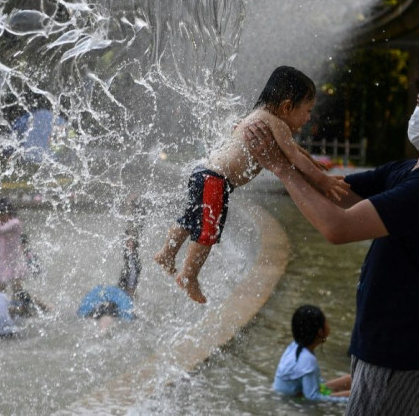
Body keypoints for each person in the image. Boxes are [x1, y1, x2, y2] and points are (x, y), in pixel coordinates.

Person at [245, 60, 419, 415]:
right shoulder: (407, 171)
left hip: (403, 352)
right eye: (418, 104)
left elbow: (338, 227)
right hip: (382, 344)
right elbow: (332, 189)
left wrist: (281, 168)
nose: (417, 114)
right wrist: (284, 145)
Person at [154, 66, 349, 304]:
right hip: (216, 180)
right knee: (208, 231)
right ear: (287, 106)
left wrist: (316, 166)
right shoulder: (275, 123)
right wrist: (324, 181)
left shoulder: (259, 116)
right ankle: (188, 275)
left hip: (204, 173)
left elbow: (296, 151)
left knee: (189, 218)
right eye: (307, 111)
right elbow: (295, 158)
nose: (308, 117)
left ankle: (167, 253)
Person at [77, 198, 145, 331]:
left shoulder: (133, 263)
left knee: (131, 267)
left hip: (114, 297)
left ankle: (134, 213)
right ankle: (134, 212)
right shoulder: (118, 303)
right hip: (117, 298)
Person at [273, 304, 351, 403]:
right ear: (320, 332)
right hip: (291, 401)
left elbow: (314, 386)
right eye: (326, 322)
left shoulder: (295, 346)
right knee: (356, 394)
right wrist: (348, 397)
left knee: (353, 379)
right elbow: (312, 397)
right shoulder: (307, 359)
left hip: (296, 393)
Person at [0, 198, 28, 293]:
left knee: (19, 292)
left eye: (1, 214)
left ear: (9, 213)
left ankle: (44, 307)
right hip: (4, 263)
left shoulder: (15, 223)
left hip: (15, 262)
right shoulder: (1, 224)